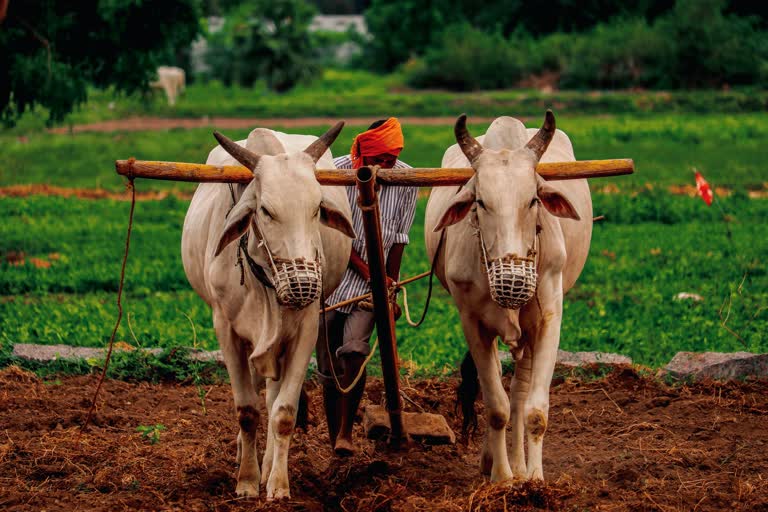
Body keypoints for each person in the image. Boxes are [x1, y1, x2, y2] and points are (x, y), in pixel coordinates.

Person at [317, 118, 418, 455]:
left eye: (390, 160)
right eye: (379, 161)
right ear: (364, 154)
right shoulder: (335, 172)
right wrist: (370, 272)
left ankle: (346, 433)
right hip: (333, 277)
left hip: (369, 291)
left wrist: (389, 286)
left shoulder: (406, 178)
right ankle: (335, 438)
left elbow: (399, 238)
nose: (385, 168)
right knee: (329, 366)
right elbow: (332, 234)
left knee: (355, 353)